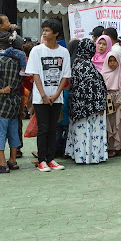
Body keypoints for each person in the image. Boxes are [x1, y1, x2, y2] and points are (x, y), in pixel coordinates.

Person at [26, 19, 71, 172]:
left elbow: (65, 75)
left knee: (53, 128)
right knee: (43, 128)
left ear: (56, 33)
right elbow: (36, 74)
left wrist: (56, 94)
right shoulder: (36, 50)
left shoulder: (64, 52)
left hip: (57, 97)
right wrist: (44, 95)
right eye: (43, 30)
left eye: (47, 30)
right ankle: (41, 160)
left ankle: (51, 159)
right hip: (41, 98)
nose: (44, 33)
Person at [65, 39, 108, 164]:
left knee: (80, 132)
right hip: (89, 108)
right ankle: (89, 156)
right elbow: (93, 88)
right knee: (88, 131)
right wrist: (100, 105)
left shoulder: (77, 64)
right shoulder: (86, 66)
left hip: (79, 107)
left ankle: (80, 155)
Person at [101, 50, 121, 157]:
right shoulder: (103, 73)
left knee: (118, 123)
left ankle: (117, 147)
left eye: (115, 61)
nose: (113, 63)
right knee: (109, 122)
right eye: (110, 61)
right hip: (107, 101)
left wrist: (118, 101)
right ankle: (109, 146)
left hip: (118, 101)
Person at [0, 36, 24, 173]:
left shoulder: (1, 60)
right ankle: (12, 160)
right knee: (13, 133)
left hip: (2, 103)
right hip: (15, 102)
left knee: (1, 134)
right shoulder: (20, 63)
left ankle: (2, 163)